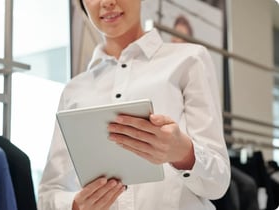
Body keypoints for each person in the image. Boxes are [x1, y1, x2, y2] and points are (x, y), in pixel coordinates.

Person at [38, 0, 231, 209]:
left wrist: (183, 153)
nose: (107, 3)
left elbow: (218, 185)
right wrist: (74, 205)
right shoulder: (74, 90)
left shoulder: (190, 60)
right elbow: (48, 193)